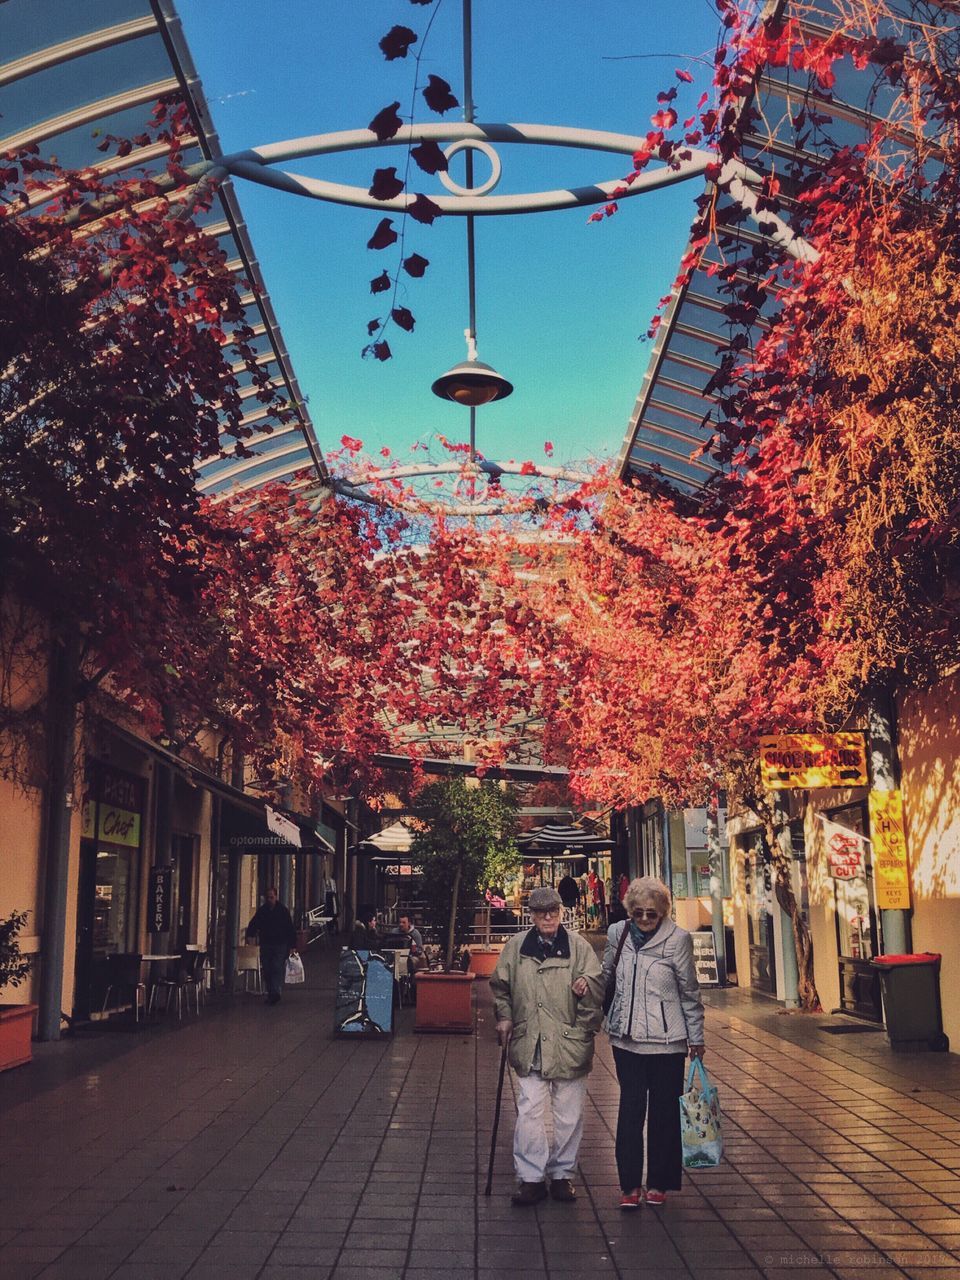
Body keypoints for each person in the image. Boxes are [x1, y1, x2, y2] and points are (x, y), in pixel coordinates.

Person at [490, 886, 603, 1207]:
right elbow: (500, 987)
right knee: (529, 1111)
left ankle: (562, 1175)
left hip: (569, 1044)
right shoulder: (515, 948)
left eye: (554, 911)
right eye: (541, 913)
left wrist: (584, 1015)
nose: (549, 917)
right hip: (530, 1042)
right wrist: (504, 1016)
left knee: (568, 1115)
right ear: (532, 916)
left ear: (562, 912)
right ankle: (531, 1178)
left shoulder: (580, 948)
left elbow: (596, 991)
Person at [603, 876, 705, 1210]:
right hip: (626, 1040)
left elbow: (689, 992)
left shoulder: (678, 939)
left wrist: (696, 1038)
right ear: (630, 911)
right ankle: (629, 1185)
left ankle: (659, 1182)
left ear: (662, 912)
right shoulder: (617, 934)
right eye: (639, 914)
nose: (645, 920)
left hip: (667, 1042)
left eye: (652, 914)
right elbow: (606, 977)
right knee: (630, 1111)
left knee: (663, 1114)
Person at [245, 886, 297, 1006]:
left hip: (280, 944)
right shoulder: (263, 911)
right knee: (267, 969)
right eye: (268, 898)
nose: (270, 900)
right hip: (266, 944)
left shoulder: (283, 911)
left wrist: (292, 945)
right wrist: (250, 935)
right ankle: (271, 991)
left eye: (272, 897)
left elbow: (290, 928)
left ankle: (275, 992)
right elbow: (254, 923)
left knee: (276, 966)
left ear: (276, 897)